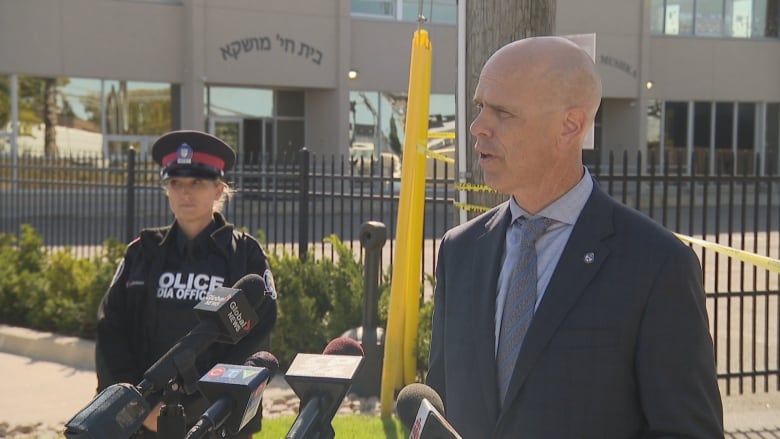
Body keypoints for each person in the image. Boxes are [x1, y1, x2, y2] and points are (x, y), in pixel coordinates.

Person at [426, 37, 723, 438]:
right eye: (480, 107)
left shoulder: (657, 267)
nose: (478, 127)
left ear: (570, 126)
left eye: (503, 112)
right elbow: (443, 409)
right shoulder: (459, 251)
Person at [95, 130, 278, 438]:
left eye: (197, 183)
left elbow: (255, 339)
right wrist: (134, 407)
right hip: (144, 421)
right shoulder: (142, 253)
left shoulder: (245, 256)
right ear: (166, 189)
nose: (185, 193)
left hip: (218, 420)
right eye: (176, 183)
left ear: (219, 190)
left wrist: (204, 410)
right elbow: (111, 331)